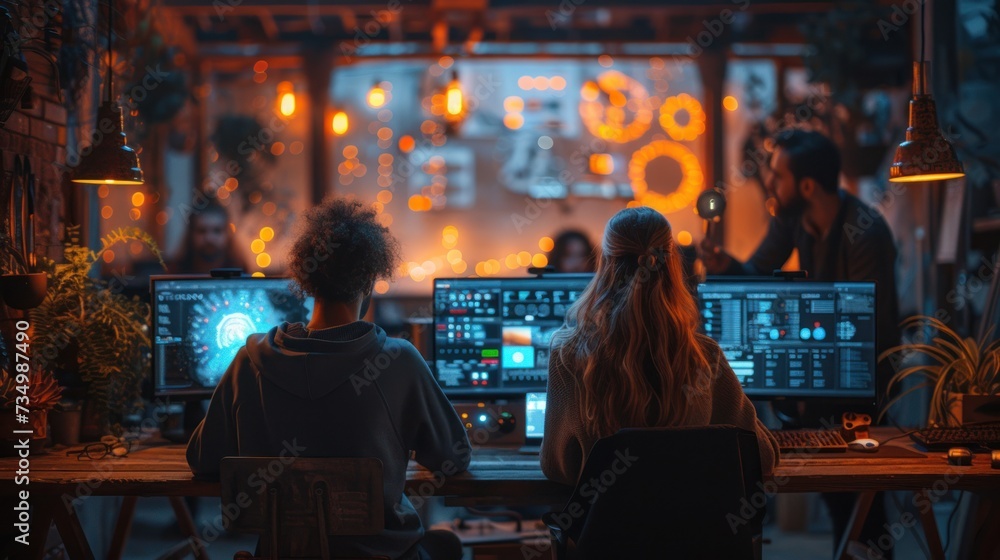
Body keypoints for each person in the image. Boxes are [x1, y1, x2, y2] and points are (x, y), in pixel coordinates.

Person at [186, 198, 470, 560]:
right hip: (382, 555)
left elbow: (203, 461)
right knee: (446, 544)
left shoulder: (248, 362)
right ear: (370, 279)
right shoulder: (398, 361)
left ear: (305, 278)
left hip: (281, 555)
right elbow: (455, 457)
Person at [700, 128, 900, 559]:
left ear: (806, 186)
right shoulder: (793, 220)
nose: (769, 184)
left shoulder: (865, 233)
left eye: (777, 175)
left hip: (863, 389)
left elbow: (869, 328)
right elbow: (757, 277)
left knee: (863, 506)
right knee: (836, 500)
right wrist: (726, 266)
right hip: (818, 386)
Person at [540, 206, 780, 486]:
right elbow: (762, 457)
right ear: (672, 265)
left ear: (605, 266)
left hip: (608, 530)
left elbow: (556, 467)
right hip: (693, 529)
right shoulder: (704, 357)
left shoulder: (568, 355)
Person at [170, 198, 249, 274]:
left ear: (227, 234)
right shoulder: (174, 275)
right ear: (191, 235)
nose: (209, 238)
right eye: (202, 231)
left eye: (217, 231)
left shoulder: (241, 275)